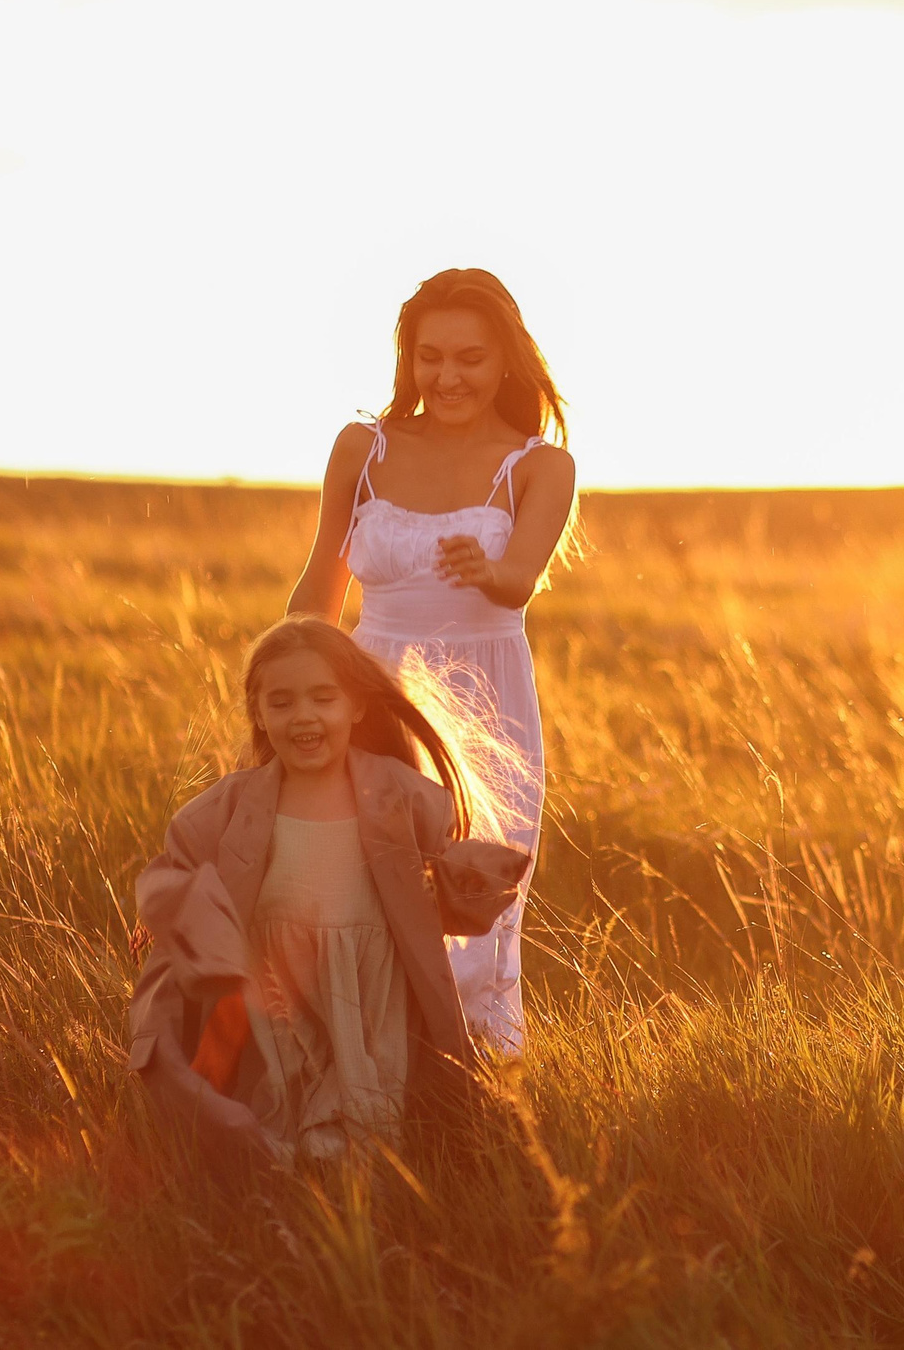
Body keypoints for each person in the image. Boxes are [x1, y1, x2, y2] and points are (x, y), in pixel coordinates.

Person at [286, 268, 576, 1054]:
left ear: (507, 360)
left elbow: (519, 579)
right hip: (376, 693)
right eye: (430, 356)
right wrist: (289, 690)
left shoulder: (540, 466)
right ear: (408, 359)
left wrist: (490, 573)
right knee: (363, 887)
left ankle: (474, 1087)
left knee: (475, 895)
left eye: (471, 358)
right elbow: (318, 586)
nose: (448, 376)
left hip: (490, 700)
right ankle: (362, 1074)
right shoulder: (363, 447)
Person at [127, 618, 529, 1167]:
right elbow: (178, 874)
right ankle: (275, 1220)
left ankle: (371, 1230)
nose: (305, 717)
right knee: (278, 1131)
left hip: (368, 1001)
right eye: (283, 702)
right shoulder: (227, 810)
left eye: (324, 698)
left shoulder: (401, 797)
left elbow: (431, 894)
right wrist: (172, 913)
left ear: (357, 706)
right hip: (277, 1001)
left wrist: (469, 880)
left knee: (365, 1145)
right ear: (260, 715)